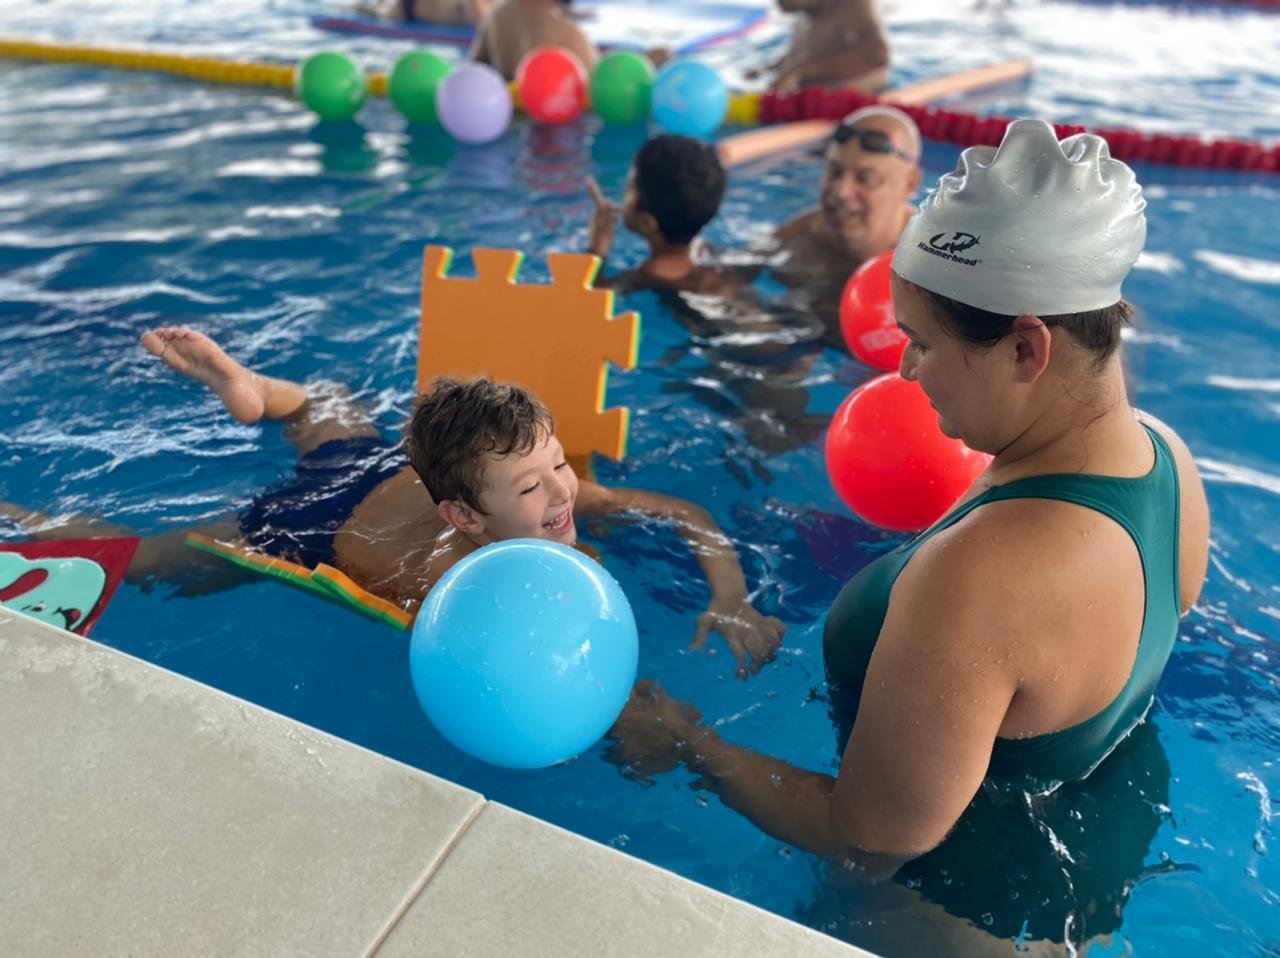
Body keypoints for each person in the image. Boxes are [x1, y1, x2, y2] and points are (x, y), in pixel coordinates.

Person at [606, 118, 1210, 940]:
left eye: (922, 342)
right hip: (1082, 897)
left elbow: (864, 842)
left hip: (937, 923)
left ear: (1028, 348)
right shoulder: (1168, 462)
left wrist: (686, 740)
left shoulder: (982, 580)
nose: (903, 369)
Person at [1, 328, 783, 676]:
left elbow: (686, 516)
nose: (561, 492)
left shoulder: (531, 488)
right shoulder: (437, 580)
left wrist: (735, 599)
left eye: (556, 466)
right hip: (314, 529)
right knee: (139, 561)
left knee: (328, 405)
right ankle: (23, 523)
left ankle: (257, 393)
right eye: (533, 484)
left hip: (376, 464)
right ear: (464, 520)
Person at [586, 134, 750, 297]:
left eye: (629, 189)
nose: (622, 193)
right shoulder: (705, 251)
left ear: (646, 223)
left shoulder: (649, 275)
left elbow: (590, 301)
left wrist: (598, 249)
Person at [767, 0, 891, 93]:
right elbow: (803, 54)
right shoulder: (804, 11)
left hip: (851, 107)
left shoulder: (850, 4)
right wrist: (772, 67)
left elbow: (877, 55)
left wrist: (800, 70)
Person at [469, 0, 597, 81]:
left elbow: (471, 70)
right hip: (552, 120)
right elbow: (600, 87)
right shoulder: (570, 34)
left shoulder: (494, 18)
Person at [357, 0, 491, 26]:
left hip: (412, 7)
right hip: (408, 9)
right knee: (377, 11)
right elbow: (482, 21)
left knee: (377, 10)